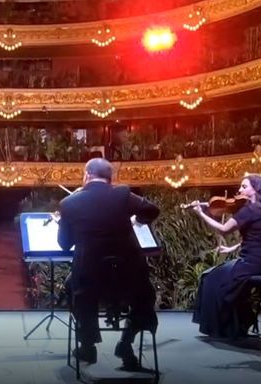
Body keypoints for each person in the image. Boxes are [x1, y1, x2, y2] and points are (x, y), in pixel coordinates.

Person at [57, 158, 160, 368]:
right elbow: (152, 210)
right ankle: (126, 340)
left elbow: (65, 244)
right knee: (146, 293)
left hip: (89, 284)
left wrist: (66, 223)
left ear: (86, 175)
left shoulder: (70, 203)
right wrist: (135, 221)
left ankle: (87, 346)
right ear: (110, 177)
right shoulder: (122, 194)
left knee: (70, 287)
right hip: (130, 281)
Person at [190, 174, 261, 338]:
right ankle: (239, 322)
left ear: (255, 189)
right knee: (218, 276)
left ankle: (227, 326)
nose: (239, 190)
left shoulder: (249, 210)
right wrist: (232, 248)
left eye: (244, 186)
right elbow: (260, 238)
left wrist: (201, 213)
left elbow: (224, 229)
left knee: (209, 278)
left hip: (250, 264)